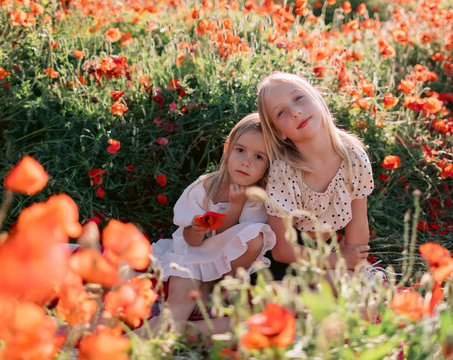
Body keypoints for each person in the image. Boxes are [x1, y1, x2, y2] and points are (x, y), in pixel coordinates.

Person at [143, 113, 276, 335]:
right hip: (192, 257)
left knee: (256, 235)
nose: (246, 162)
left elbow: (236, 239)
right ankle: (136, 342)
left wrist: (235, 207)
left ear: (267, 167)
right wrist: (197, 230)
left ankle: (220, 289)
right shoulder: (204, 189)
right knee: (177, 309)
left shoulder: (255, 199)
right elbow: (191, 241)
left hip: (224, 265)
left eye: (258, 157)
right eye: (241, 150)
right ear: (228, 149)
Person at [256, 72, 373, 280]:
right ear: (279, 132)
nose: (295, 112)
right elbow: (282, 250)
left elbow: (359, 229)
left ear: (316, 97)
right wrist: (339, 262)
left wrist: (352, 266)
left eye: (298, 98)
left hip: (325, 254)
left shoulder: (353, 156)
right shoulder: (285, 172)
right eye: (281, 113)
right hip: (287, 261)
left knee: (355, 290)